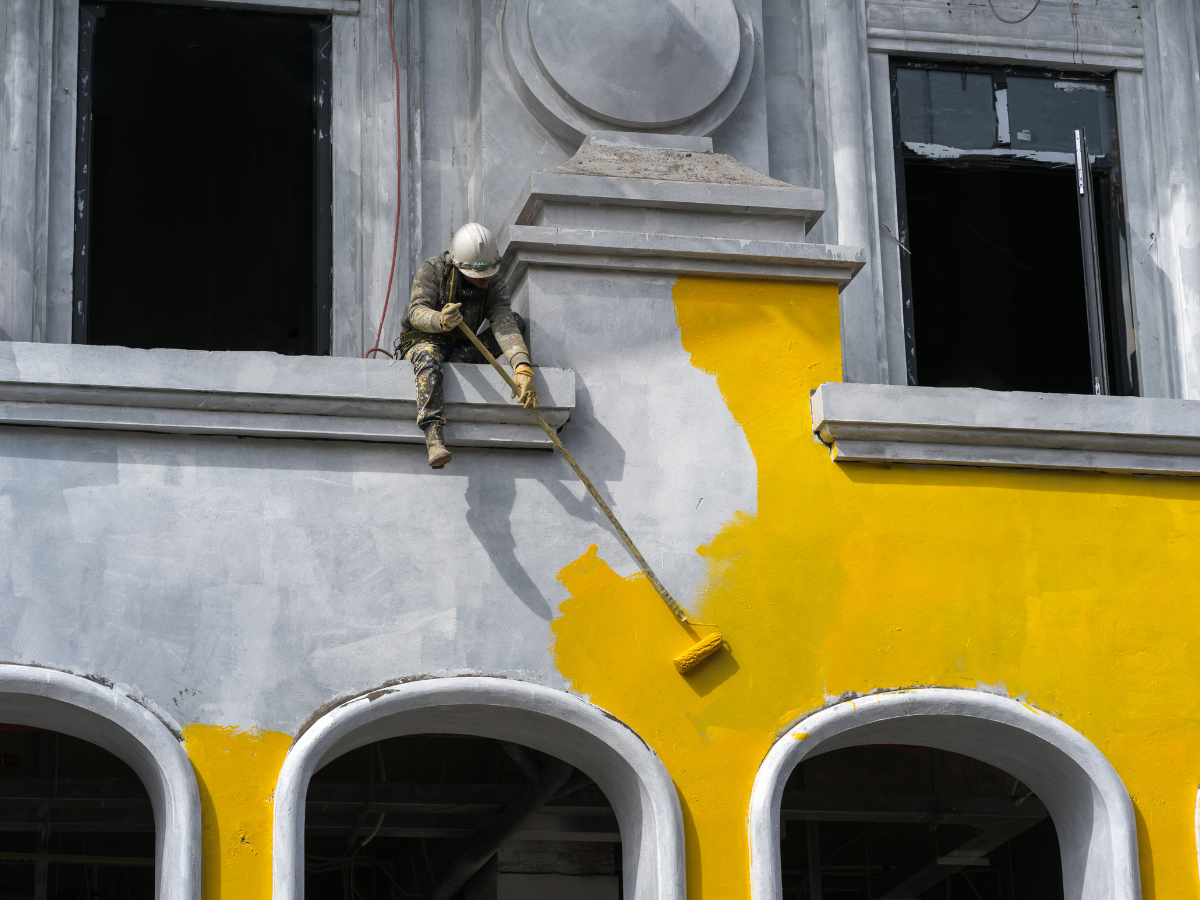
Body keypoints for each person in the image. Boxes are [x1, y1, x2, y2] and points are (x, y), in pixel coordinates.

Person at [395, 223, 538, 469]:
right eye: (477, 275)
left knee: (516, 321)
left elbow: (504, 323)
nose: (484, 280)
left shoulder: (493, 284)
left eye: (489, 273)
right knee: (429, 354)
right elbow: (416, 310)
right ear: (459, 266)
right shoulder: (433, 271)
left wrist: (522, 366)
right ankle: (434, 437)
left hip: (461, 352)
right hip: (425, 345)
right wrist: (439, 320)